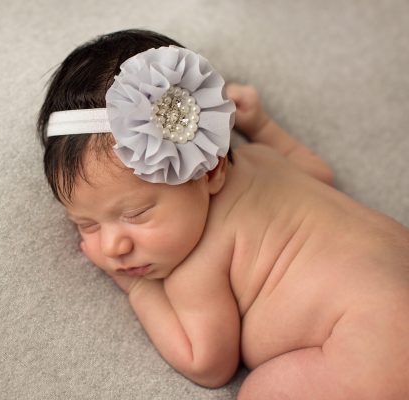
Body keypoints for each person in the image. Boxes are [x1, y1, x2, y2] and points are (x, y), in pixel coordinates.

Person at [37, 29, 409, 400]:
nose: (113, 246)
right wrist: (262, 127)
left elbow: (208, 365)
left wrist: (139, 290)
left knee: (261, 391)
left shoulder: (194, 268)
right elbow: (319, 174)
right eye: (86, 224)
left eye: (136, 214)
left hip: (372, 347)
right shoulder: (263, 158)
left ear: (211, 171)